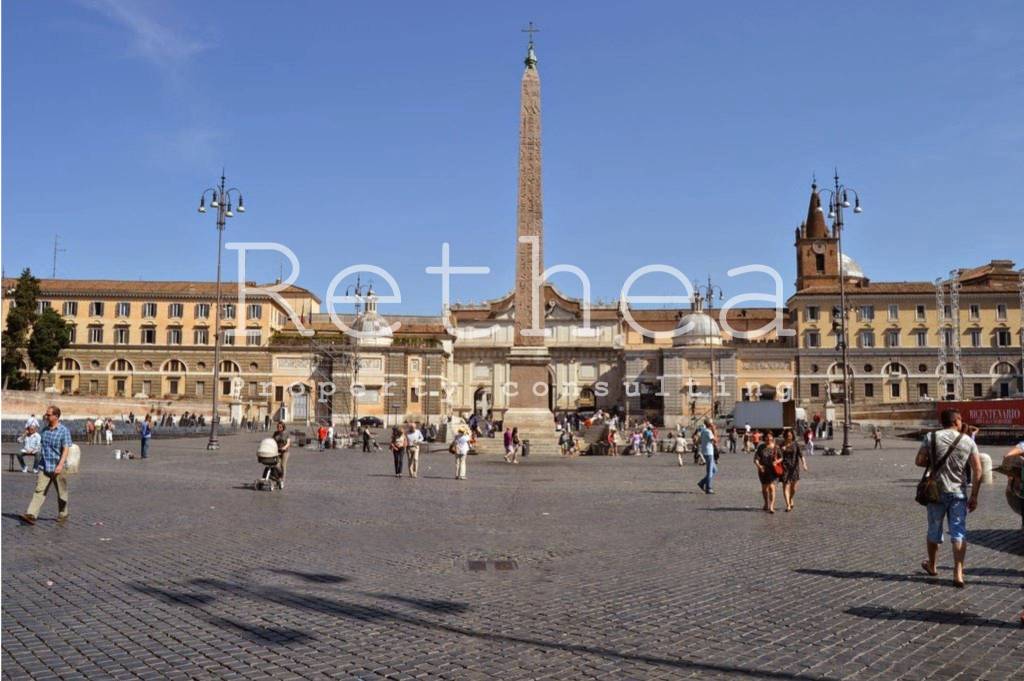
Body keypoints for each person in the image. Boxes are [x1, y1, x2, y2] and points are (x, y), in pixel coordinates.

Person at [916, 409, 982, 588]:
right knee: (958, 532)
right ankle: (958, 572)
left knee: (934, 530)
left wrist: (934, 460)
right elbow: (977, 470)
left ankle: (932, 565)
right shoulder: (968, 440)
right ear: (957, 421)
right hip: (958, 493)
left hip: (935, 492)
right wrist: (974, 495)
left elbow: (919, 461)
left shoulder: (931, 437)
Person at [20, 406, 72, 525]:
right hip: (44, 466)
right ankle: (31, 514)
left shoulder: (64, 430)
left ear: (56, 416)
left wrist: (60, 465)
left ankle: (63, 514)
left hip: (58, 466)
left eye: (48, 415)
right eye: (46, 414)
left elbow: (66, 449)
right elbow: (41, 446)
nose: (46, 416)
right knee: (39, 490)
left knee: (61, 493)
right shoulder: (44, 430)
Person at [779, 430, 808, 512]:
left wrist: (804, 464)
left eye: (790, 435)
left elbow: (801, 455)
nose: (789, 437)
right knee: (785, 486)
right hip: (784, 468)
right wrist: (781, 449)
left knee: (794, 488)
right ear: (785, 436)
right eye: (787, 435)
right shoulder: (782, 444)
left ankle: (791, 498)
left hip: (794, 468)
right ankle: (788, 504)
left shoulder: (795, 444)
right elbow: (777, 455)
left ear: (792, 436)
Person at [753, 431, 780, 513]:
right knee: (764, 489)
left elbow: (781, 457)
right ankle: (766, 503)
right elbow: (756, 459)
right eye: (767, 437)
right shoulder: (761, 447)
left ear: (772, 438)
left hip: (773, 470)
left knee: (772, 488)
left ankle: (771, 506)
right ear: (764, 438)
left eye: (770, 437)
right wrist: (759, 466)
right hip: (763, 470)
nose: (768, 438)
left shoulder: (775, 447)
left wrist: (777, 462)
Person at [696, 419, 718, 494]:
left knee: (714, 470)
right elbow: (715, 441)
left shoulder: (703, 431)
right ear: (710, 424)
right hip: (709, 453)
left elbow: (699, 441)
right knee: (709, 471)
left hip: (705, 452)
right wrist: (714, 431)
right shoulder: (708, 432)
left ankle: (702, 483)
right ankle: (708, 488)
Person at [272, 421, 291, 488]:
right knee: (276, 465)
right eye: (278, 426)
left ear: (283, 427)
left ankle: (282, 480)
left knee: (283, 465)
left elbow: (288, 443)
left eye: (280, 427)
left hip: (285, 452)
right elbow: (272, 441)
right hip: (277, 451)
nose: (279, 428)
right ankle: (278, 478)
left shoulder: (286, 433)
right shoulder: (275, 433)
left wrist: (284, 447)